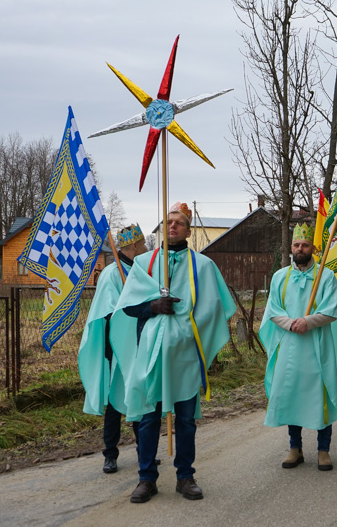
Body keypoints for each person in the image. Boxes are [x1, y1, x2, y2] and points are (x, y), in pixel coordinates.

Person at [110, 202, 236, 503]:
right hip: (152, 352)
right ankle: (146, 479)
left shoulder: (203, 266)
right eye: (167, 221)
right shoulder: (145, 263)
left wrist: (188, 327)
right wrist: (152, 307)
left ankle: (185, 477)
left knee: (185, 419)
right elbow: (128, 306)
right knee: (149, 416)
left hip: (185, 354)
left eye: (179, 222)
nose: (172, 226)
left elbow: (216, 308)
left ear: (188, 229)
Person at [260, 224, 337, 472]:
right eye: (296, 245)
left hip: (317, 345)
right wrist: (291, 324)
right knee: (290, 393)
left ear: (313, 249)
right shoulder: (279, 277)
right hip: (289, 344)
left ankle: (323, 449)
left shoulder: (326, 276)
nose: (300, 249)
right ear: (291, 248)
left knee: (321, 394)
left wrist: (308, 322)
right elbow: (273, 310)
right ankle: (294, 448)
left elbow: (331, 310)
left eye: (304, 245)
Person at [78, 224, 148, 474]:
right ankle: (110, 454)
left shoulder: (139, 271)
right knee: (115, 402)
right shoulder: (111, 273)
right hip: (116, 347)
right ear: (132, 247)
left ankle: (144, 450)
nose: (146, 248)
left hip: (139, 344)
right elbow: (109, 311)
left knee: (138, 395)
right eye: (142, 245)